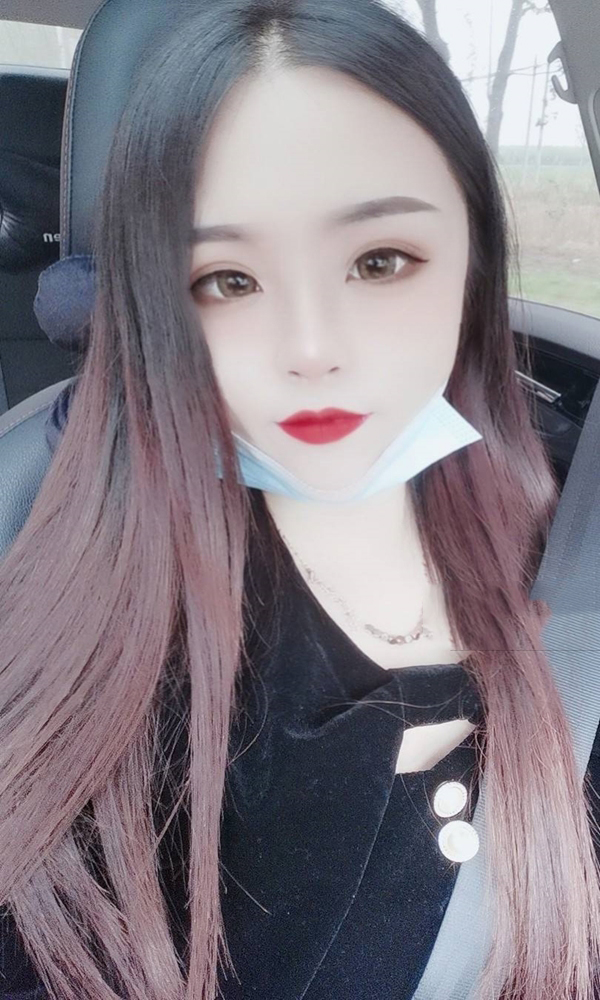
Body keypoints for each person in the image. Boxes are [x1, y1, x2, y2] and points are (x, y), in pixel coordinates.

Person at [2, 1, 600, 998]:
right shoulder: (108, 622)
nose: (312, 348)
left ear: (472, 262)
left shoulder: (566, 520)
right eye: (228, 280)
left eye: (379, 261)